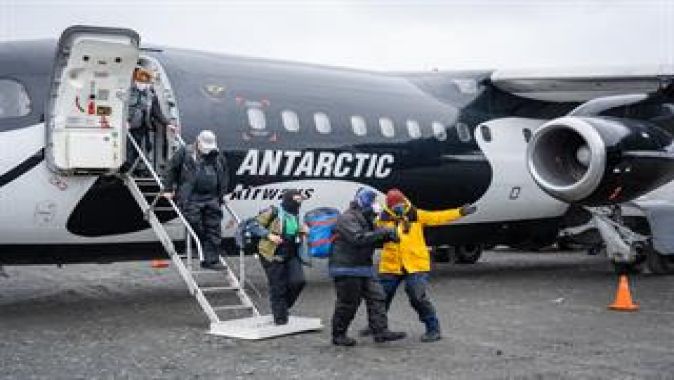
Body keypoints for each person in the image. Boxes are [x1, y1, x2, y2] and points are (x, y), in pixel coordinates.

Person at [362, 188, 476, 342]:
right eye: (395, 206)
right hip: (391, 265)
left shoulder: (416, 214)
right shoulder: (383, 218)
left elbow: (439, 217)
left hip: (416, 264)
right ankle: (376, 325)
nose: (399, 207)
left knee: (417, 297)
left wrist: (460, 212)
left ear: (404, 201)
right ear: (389, 206)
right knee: (381, 297)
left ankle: (433, 329)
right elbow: (369, 230)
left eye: (400, 204)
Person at [329, 187, 407, 346]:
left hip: (364, 267)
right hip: (346, 267)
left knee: (377, 297)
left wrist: (389, 236)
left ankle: (380, 331)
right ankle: (338, 335)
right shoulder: (347, 218)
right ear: (362, 200)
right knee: (348, 303)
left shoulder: (367, 219)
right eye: (371, 200)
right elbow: (358, 238)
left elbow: (373, 239)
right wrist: (384, 231)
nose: (374, 204)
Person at [162, 130, 229, 270]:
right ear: (198, 142)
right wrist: (168, 189)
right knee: (195, 224)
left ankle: (211, 260)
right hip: (191, 197)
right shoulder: (184, 152)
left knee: (214, 227)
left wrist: (222, 195)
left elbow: (223, 176)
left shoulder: (218, 155)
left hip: (211, 197)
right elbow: (171, 169)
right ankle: (204, 249)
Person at [248, 189, 308, 325]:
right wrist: (269, 235)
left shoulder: (296, 215)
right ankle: (280, 318)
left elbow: (294, 230)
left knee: (299, 281)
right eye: (297, 200)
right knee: (278, 285)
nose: (299, 203)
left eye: (300, 200)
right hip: (272, 253)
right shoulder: (273, 211)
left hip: (291, 252)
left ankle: (281, 307)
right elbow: (252, 224)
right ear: (289, 199)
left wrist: (303, 230)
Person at [125, 66, 172, 171]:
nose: (143, 85)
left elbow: (157, 112)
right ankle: (126, 168)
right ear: (136, 80)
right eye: (141, 82)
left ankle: (134, 169)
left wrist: (168, 123)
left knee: (139, 150)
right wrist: (125, 122)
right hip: (127, 127)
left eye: (146, 83)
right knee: (128, 150)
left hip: (141, 127)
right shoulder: (127, 93)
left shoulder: (151, 96)